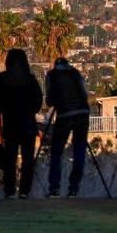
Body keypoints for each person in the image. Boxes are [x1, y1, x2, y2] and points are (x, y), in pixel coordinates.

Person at [0, 48, 43, 199]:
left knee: (10, 157)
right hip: (28, 124)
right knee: (28, 159)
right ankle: (25, 190)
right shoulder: (30, 80)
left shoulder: (0, 80)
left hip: (10, 124)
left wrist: (3, 108)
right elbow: (38, 101)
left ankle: (10, 189)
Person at [44, 56, 90, 198]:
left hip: (64, 115)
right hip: (82, 113)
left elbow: (50, 100)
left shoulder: (51, 75)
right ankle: (73, 187)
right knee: (79, 150)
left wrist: (53, 102)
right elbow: (84, 94)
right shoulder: (75, 73)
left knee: (57, 152)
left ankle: (54, 187)